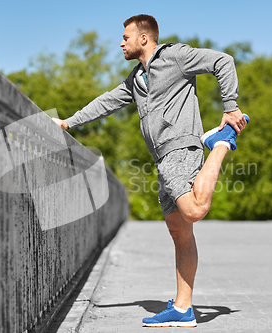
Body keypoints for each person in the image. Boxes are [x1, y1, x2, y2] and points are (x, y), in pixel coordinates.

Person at [52, 14, 249, 327]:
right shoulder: (136, 79)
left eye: (126, 37)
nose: (121, 43)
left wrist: (230, 106)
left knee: (195, 210)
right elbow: (106, 102)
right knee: (178, 230)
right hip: (162, 158)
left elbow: (222, 61)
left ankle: (222, 142)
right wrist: (68, 122)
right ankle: (183, 309)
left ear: (143, 38)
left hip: (180, 149)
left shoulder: (174, 57)